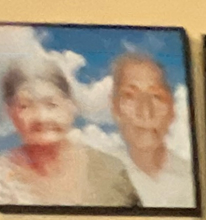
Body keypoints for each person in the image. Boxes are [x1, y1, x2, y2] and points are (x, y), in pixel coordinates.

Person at [0, 60, 139, 210]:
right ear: (10, 112)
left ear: (71, 106)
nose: (41, 117)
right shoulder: (3, 177)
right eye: (25, 106)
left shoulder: (110, 171)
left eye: (51, 105)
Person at [109, 51, 194, 208]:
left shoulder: (192, 178)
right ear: (115, 108)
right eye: (130, 96)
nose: (145, 112)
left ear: (172, 110)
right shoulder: (102, 177)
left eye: (156, 96)